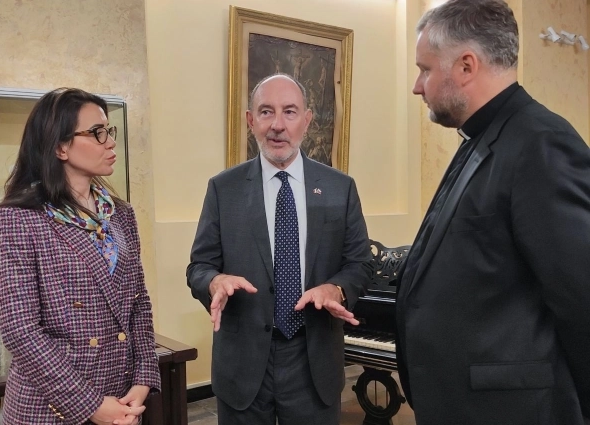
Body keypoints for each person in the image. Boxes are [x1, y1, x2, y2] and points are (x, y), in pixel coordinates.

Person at [396, 1, 590, 424]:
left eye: (425, 70)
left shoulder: (541, 143)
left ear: (466, 66)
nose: (417, 86)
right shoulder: (482, 137)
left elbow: (582, 298)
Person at [187, 73, 372, 425]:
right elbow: (199, 266)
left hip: (313, 360)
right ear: (250, 120)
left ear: (307, 120)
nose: (277, 125)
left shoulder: (340, 188)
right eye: (266, 111)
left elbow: (360, 265)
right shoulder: (223, 189)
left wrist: (335, 289)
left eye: (289, 111)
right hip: (242, 364)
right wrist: (213, 281)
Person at [0, 88, 161, 425]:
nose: (111, 142)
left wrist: (143, 377)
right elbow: (20, 330)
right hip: (52, 407)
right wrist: (90, 404)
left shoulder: (120, 214)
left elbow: (138, 302)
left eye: (109, 131)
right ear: (60, 147)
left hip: (120, 398)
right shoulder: (17, 218)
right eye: (97, 133)